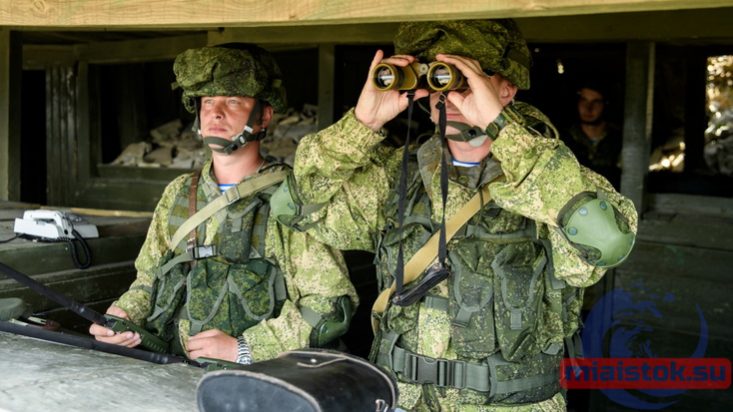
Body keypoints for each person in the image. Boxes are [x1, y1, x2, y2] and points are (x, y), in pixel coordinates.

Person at [272, 20, 637, 411]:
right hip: (403, 400)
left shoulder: (558, 182)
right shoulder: (395, 178)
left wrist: (502, 128)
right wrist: (362, 125)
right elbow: (295, 207)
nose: (451, 95)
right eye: (439, 77)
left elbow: (608, 241)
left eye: (468, 79)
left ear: (507, 88)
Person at [89, 45, 357, 365]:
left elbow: (328, 304)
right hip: (175, 370)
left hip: (262, 376)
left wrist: (244, 348)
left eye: (233, 101)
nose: (216, 113)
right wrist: (123, 316)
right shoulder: (179, 193)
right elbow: (148, 280)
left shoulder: (291, 198)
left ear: (264, 116)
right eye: (207, 101)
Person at [563, 82, 623, 188]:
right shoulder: (564, 139)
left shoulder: (619, 141)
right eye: (584, 100)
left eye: (596, 102)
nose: (588, 107)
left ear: (605, 105)